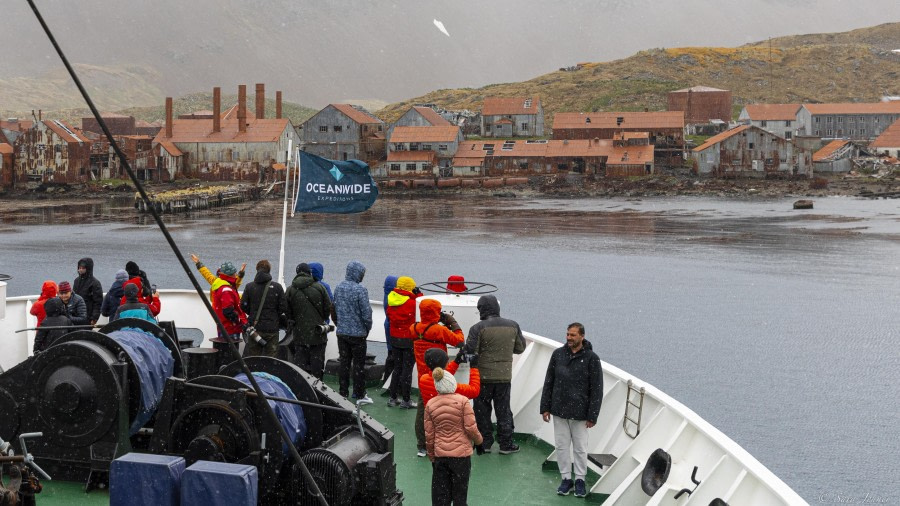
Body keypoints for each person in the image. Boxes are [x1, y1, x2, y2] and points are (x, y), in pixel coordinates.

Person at [540, 323, 603, 498]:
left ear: (582, 336)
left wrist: (593, 415)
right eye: (567, 334)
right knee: (561, 446)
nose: (569, 338)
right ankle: (566, 479)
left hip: (581, 413)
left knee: (580, 448)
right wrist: (545, 407)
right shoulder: (558, 355)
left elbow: (596, 389)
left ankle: (580, 480)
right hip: (559, 410)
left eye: (573, 335)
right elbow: (549, 382)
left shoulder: (592, 359)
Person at [464, 294, 526, 454]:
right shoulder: (513, 325)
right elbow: (520, 348)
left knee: (481, 410)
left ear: (482, 310)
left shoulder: (478, 328)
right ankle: (506, 444)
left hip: (483, 377)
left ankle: (484, 443)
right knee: (503, 410)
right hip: (503, 377)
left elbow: (470, 351)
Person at [410, 298, 464, 457]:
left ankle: (422, 444)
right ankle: (443, 443)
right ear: (435, 312)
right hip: (440, 376)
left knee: (423, 410)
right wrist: (452, 322)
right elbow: (459, 341)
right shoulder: (439, 330)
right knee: (443, 410)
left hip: (423, 376)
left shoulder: (413, 328)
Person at [425, 367, 482, 506]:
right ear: (452, 383)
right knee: (460, 494)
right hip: (461, 457)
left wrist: (432, 456)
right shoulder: (463, 401)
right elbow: (471, 428)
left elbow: (429, 435)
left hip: (441, 456)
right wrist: (479, 442)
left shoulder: (430, 404)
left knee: (441, 495)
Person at [333, 260, 373, 405]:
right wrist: (367, 327)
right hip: (358, 335)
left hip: (342, 333)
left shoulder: (338, 287)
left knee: (344, 363)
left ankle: (343, 392)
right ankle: (359, 393)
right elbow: (366, 313)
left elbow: (335, 308)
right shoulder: (360, 290)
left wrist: (340, 324)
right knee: (358, 365)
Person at [285, 263, 332, 377]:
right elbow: (327, 308)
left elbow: (286, 309)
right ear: (309, 273)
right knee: (317, 362)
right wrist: (321, 318)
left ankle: (300, 385)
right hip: (318, 332)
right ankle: (317, 388)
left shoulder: (290, 289)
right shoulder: (320, 287)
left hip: (300, 332)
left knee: (300, 361)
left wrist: (294, 319)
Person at [386, 276, 422, 409]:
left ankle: (392, 397)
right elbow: (422, 307)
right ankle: (406, 400)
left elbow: (390, 316)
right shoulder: (413, 303)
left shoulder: (392, 299)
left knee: (397, 368)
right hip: (408, 339)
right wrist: (419, 294)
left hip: (394, 338)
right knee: (407, 369)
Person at [240, 259, 287, 358]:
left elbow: (243, 305)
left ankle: (254, 373)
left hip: (255, 329)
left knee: (253, 358)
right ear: (269, 271)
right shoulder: (277, 287)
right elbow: (283, 307)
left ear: (257, 270)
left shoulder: (249, 287)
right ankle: (268, 372)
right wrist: (274, 315)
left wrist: (253, 313)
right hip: (272, 329)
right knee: (271, 359)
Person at [211, 261, 248, 367]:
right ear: (229, 275)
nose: (236, 275)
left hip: (224, 326)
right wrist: (239, 321)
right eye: (234, 273)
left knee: (224, 352)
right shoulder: (226, 289)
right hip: (230, 328)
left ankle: (224, 369)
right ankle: (228, 371)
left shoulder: (221, 285)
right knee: (229, 355)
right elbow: (228, 311)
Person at [73, 257, 103, 325]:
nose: (80, 270)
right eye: (79, 268)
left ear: (88, 269)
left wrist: (94, 318)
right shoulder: (76, 281)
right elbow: (73, 297)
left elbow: (98, 303)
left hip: (88, 316)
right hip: (76, 315)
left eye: (83, 268)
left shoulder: (95, 283)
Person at [381, 275, 398, 384]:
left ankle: (386, 380)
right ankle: (390, 381)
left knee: (390, 354)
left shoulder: (387, 295)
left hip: (388, 327)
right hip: (393, 329)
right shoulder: (393, 298)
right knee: (393, 357)